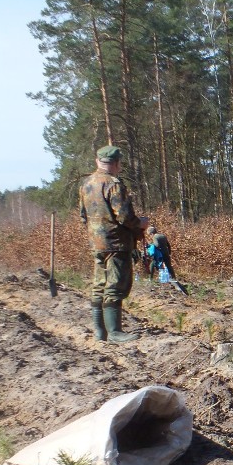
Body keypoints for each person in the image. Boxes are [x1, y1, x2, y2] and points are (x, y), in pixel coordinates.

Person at [79, 145, 149, 343]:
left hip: (97, 243)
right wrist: (140, 225)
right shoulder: (113, 184)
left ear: (97, 162)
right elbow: (124, 216)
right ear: (117, 164)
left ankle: (100, 332)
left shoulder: (86, 184)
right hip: (117, 243)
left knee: (99, 284)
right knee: (115, 285)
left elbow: (83, 216)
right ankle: (115, 332)